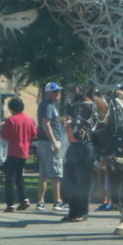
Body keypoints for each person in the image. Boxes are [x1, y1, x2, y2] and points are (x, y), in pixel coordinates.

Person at [60, 87, 95, 222]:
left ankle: (82, 212)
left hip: (83, 145)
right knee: (70, 182)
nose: (69, 94)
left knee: (82, 182)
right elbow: (64, 120)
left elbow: (86, 125)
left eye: (71, 92)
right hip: (70, 146)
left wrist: (72, 122)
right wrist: (65, 120)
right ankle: (72, 211)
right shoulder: (72, 108)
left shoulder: (86, 108)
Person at [0, 96, 36, 212]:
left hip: (12, 151)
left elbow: (4, 135)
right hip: (24, 153)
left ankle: (10, 204)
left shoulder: (11, 120)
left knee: (9, 178)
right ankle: (24, 199)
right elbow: (34, 134)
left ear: (11, 108)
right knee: (19, 177)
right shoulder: (29, 120)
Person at [35, 82, 67, 212]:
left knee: (43, 174)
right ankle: (57, 201)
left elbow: (51, 123)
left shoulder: (48, 106)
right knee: (55, 172)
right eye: (55, 92)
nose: (57, 94)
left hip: (44, 142)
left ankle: (40, 202)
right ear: (48, 93)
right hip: (49, 143)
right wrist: (54, 141)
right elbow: (46, 124)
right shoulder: (47, 106)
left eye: (58, 91)